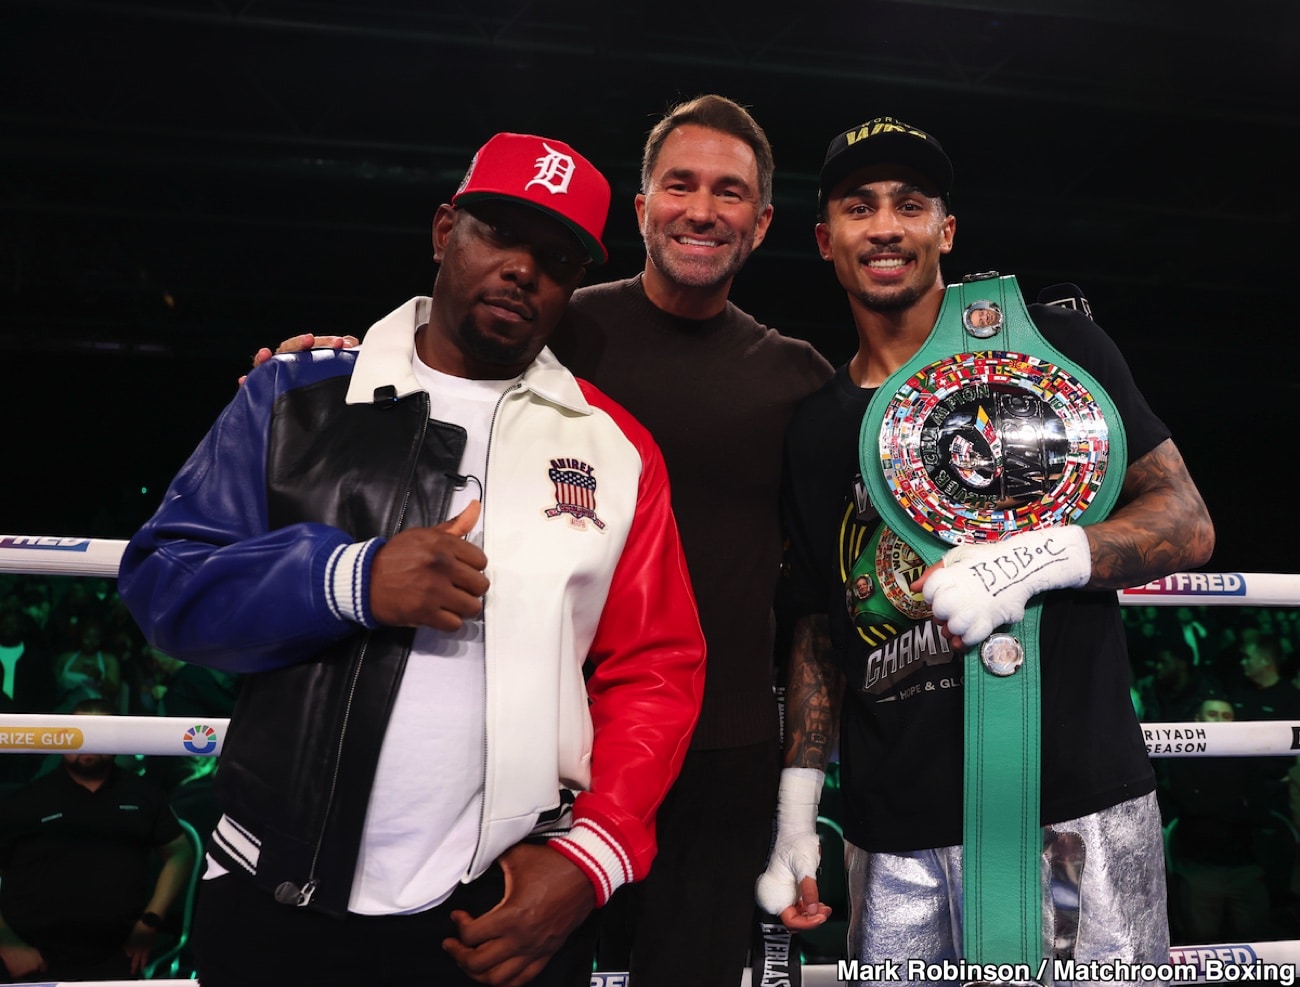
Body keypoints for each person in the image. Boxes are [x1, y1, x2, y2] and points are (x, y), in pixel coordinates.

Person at [257, 95, 834, 987]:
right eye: (679, 184)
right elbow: (425, 352)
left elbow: (819, 585)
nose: (702, 209)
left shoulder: (798, 376)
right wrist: (333, 364)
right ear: (642, 209)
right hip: (533, 752)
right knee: (514, 960)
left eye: (729, 193)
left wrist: (798, 797)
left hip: (718, 745)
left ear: (760, 223)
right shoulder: (555, 318)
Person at [117, 131, 706, 987]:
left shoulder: (616, 448)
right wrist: (348, 579)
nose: (522, 270)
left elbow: (655, 666)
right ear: (443, 231)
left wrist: (592, 854)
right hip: (275, 892)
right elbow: (163, 581)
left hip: (500, 909)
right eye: (501, 233)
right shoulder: (297, 393)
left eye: (555, 256)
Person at [756, 116, 1215, 980]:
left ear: (946, 230)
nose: (886, 225)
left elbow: (1186, 519)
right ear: (826, 239)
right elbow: (820, 624)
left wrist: (1030, 560)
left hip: (1070, 805)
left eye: (911, 203)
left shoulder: (1054, 350)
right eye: (860, 206)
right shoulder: (816, 427)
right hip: (893, 831)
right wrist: (796, 816)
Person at [0, 698, 195, 981]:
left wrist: (150, 921)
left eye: (99, 733)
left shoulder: (143, 795)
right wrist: (7, 945)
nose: (88, 744)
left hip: (118, 955)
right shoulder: (26, 800)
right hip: (34, 956)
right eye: (81, 732)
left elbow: (180, 853)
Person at [1164, 690, 1280, 942]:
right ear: (1197, 719)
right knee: (1200, 945)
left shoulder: (1250, 759)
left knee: (1257, 945)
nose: (1219, 721)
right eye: (1212, 714)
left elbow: (1259, 811)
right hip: (1198, 868)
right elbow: (1189, 804)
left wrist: (1210, 802)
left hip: (1245, 867)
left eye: (1226, 716)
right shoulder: (1180, 757)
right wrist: (1234, 804)